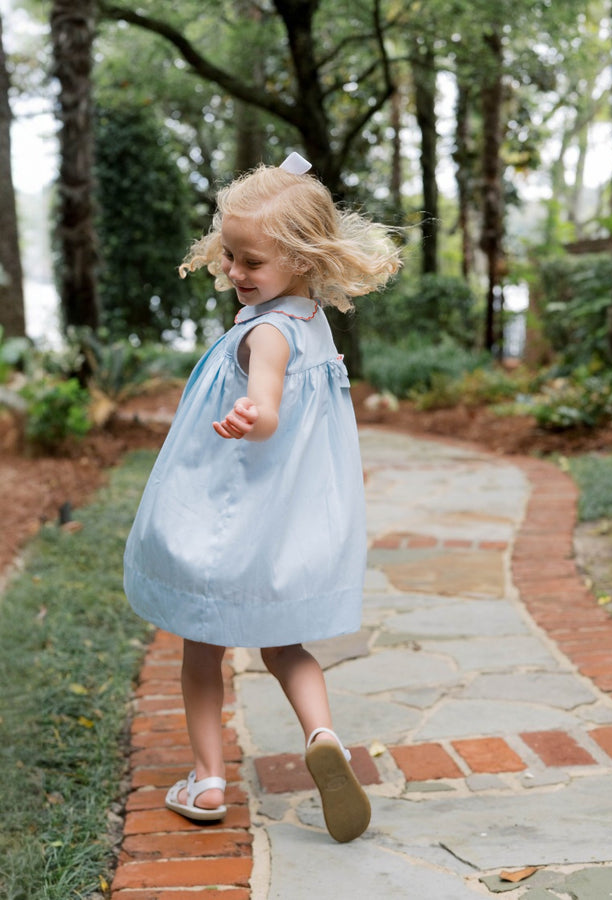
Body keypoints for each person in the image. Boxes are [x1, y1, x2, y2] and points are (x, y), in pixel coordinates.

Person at [123, 152, 402, 843]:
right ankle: (322, 736)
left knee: (200, 650)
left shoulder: (268, 333)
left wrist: (255, 415)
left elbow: (269, 404)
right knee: (286, 646)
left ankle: (208, 779)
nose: (236, 273)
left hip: (230, 523)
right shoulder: (310, 320)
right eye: (231, 257)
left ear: (303, 258)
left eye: (252, 262)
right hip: (284, 527)